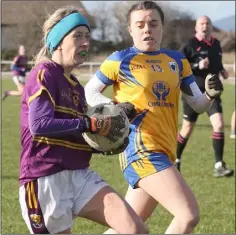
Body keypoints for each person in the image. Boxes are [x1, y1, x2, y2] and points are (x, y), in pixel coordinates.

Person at [85, 1, 224, 233]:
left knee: (128, 226)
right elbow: (89, 91)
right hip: (140, 150)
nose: (147, 29)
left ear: (162, 27)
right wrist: (114, 108)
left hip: (165, 151)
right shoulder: (121, 59)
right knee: (188, 214)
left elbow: (197, 104)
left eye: (153, 23)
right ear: (130, 29)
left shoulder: (177, 61)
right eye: (140, 24)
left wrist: (210, 94)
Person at [18, 6, 148, 234]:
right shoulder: (44, 73)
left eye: (87, 37)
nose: (85, 43)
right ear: (58, 41)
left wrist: (109, 141)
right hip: (45, 178)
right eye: (77, 36)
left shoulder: (76, 86)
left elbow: (79, 134)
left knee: (135, 229)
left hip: (80, 175)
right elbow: (39, 126)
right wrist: (89, 124)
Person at [175, 15, 234, 177]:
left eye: (207, 23)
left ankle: (219, 166)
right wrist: (196, 65)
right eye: (202, 23)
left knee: (219, 124)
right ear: (196, 27)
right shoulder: (189, 45)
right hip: (192, 92)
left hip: (212, 91)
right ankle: (176, 160)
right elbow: (178, 66)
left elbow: (217, 62)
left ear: (211, 26)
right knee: (187, 128)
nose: (205, 25)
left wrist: (222, 70)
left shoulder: (216, 44)